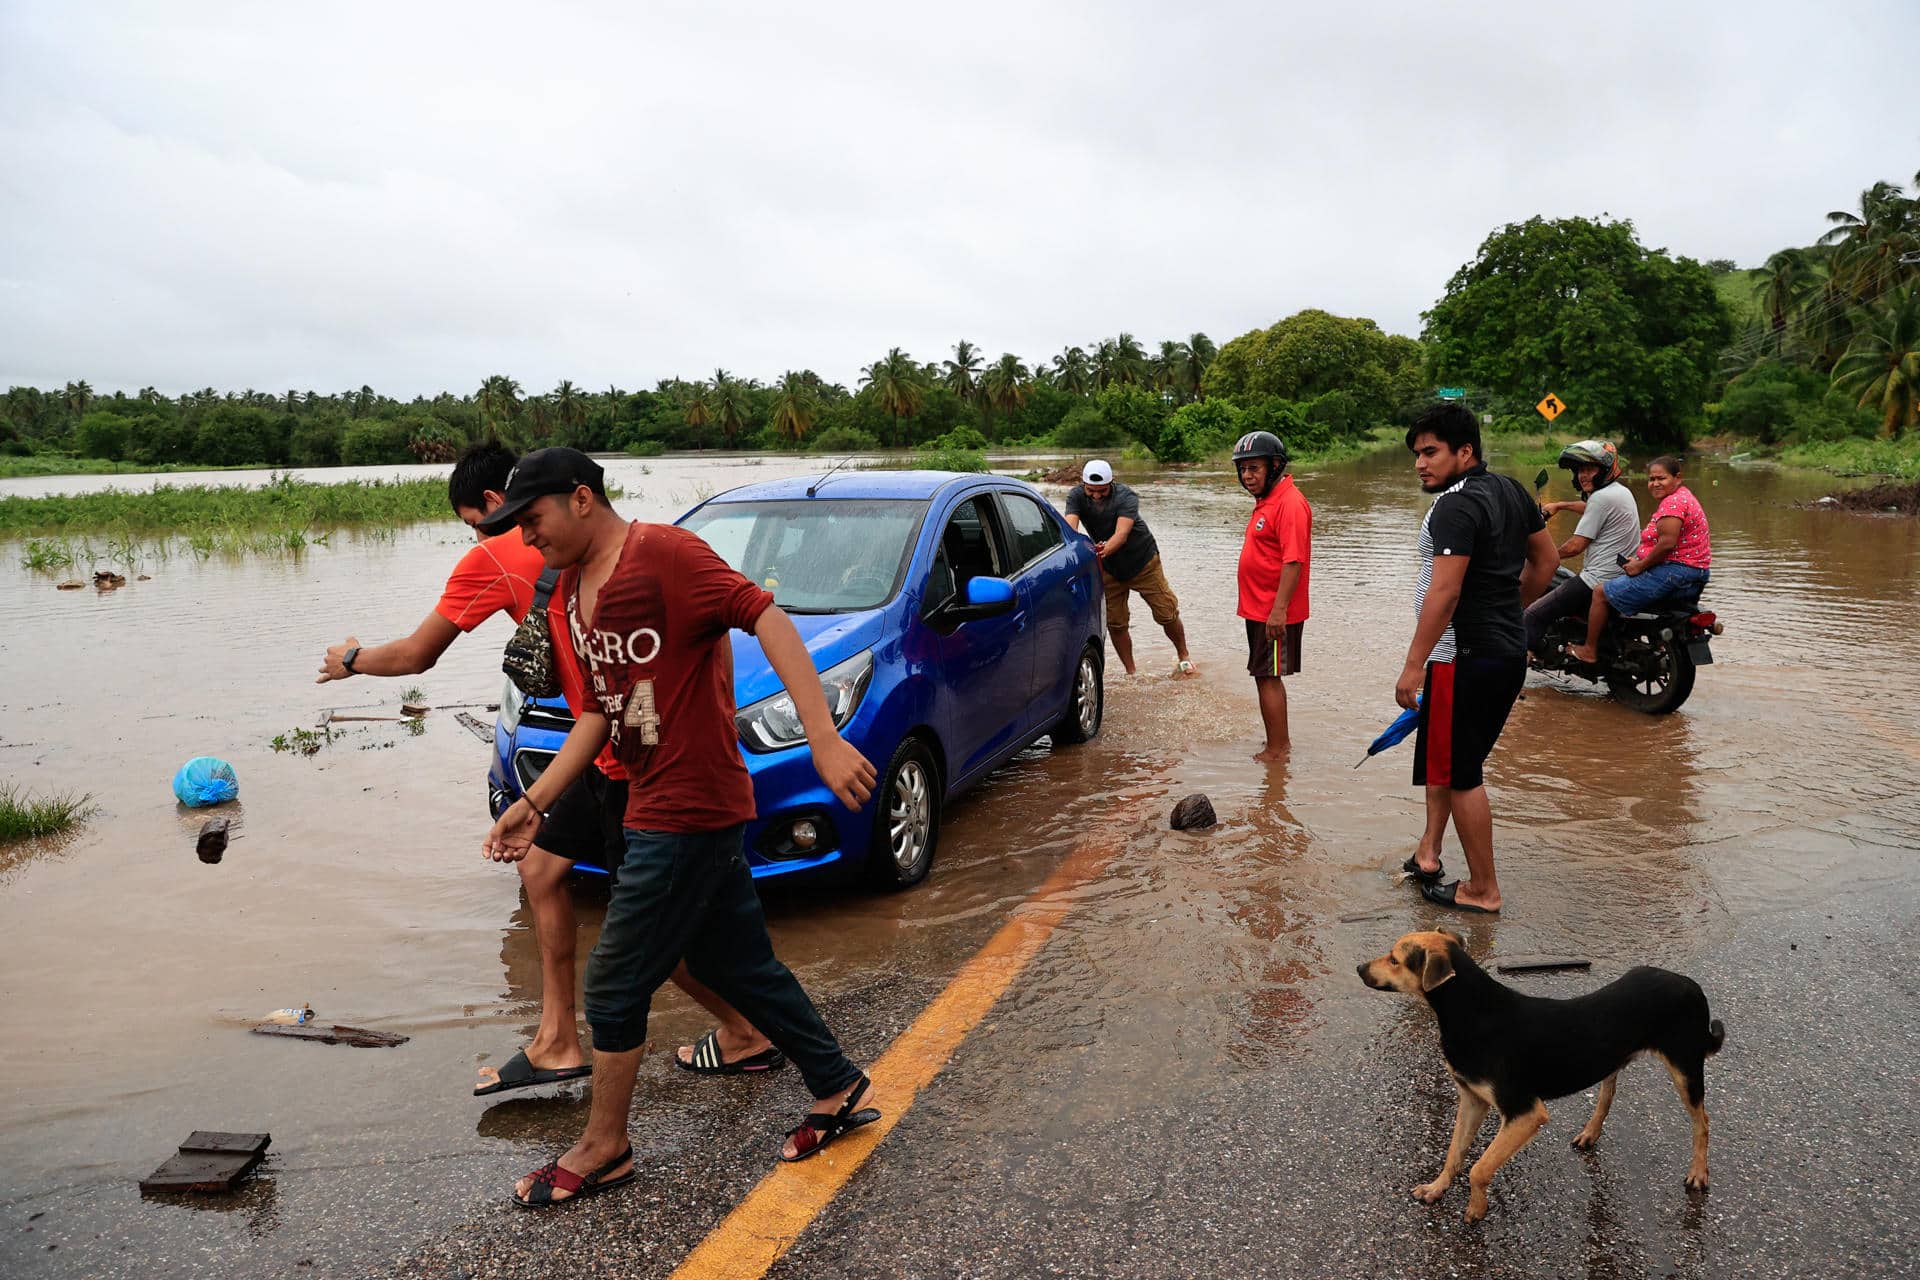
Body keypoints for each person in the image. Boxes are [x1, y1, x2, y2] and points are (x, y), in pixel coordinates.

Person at [477, 447, 882, 1207]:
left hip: (689, 803)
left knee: (617, 978)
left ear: (582, 499)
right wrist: (535, 803)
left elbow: (767, 617)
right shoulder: (567, 593)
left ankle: (606, 1146)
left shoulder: (664, 554)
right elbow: (598, 713)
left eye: (534, 520)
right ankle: (836, 1083)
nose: (529, 539)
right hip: (649, 797)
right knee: (739, 965)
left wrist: (823, 735)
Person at [316, 443, 776, 1095]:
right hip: (618, 739)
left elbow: (418, 654)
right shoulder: (619, 544)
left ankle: (744, 1030)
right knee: (543, 867)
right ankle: (558, 1039)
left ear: (500, 507)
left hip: (624, 753)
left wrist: (354, 659)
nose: (486, 537)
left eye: (476, 522)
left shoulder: (503, 554)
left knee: (650, 924)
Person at [1397, 404, 1557, 915]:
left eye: (1431, 452)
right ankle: (1429, 852)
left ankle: (1483, 890)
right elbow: (1547, 561)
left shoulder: (1455, 507)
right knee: (1446, 759)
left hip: (1460, 657)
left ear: (1465, 452)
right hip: (1506, 651)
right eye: (1417, 454)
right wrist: (1509, 611)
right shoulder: (1511, 490)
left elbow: (1444, 594)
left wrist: (1412, 664)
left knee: (1462, 771)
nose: (1421, 464)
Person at [1568, 455, 1711, 665]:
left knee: (1600, 593)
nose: (1655, 484)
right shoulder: (1684, 496)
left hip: (1673, 573)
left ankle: (1589, 650)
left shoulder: (1673, 503)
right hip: (1692, 573)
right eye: (1651, 479)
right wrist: (1637, 558)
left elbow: (1667, 543)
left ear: (1677, 478)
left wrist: (1640, 565)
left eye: (1661, 478)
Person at [1063, 459, 1195, 676]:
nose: (1096, 496)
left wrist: (1100, 551)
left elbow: (1121, 534)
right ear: (1083, 484)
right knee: (1116, 623)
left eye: (1102, 491)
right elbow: (1071, 529)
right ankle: (1131, 672)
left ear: (1112, 483)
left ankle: (1184, 655)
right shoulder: (1076, 496)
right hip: (1109, 568)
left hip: (1143, 561)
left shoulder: (1126, 496)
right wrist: (1079, 551)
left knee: (1167, 613)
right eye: (1091, 491)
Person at [1232, 430, 1311, 761]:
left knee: (1268, 677)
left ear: (1275, 466)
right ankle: (1275, 744)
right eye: (1243, 470)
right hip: (1259, 608)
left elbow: (1293, 561)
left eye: (1254, 468)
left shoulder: (1290, 503)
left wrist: (1278, 611)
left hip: (1272, 611)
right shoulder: (1269, 500)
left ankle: (1278, 750)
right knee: (1263, 675)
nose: (1248, 476)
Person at [1524, 440, 1640, 658]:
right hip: (1620, 575)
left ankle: (1513, 679)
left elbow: (1575, 546)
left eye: (1589, 469)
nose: (1583, 476)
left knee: (1532, 615)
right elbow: (1591, 509)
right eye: (1579, 471)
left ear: (1604, 470)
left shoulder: (1601, 498)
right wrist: (1560, 505)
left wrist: (1544, 556)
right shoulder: (1620, 492)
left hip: (1596, 579)